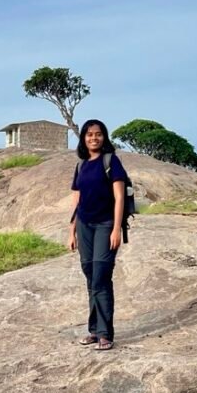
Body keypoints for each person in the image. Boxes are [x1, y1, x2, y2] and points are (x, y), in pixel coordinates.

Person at [68, 119, 128, 351]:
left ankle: (105, 334)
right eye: (90, 134)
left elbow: (119, 197)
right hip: (84, 225)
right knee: (90, 276)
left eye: (98, 134)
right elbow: (76, 200)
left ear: (104, 137)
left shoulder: (111, 161)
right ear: (84, 138)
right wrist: (71, 231)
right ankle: (94, 330)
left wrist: (116, 229)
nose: (94, 138)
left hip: (105, 224)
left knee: (101, 277)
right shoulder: (81, 166)